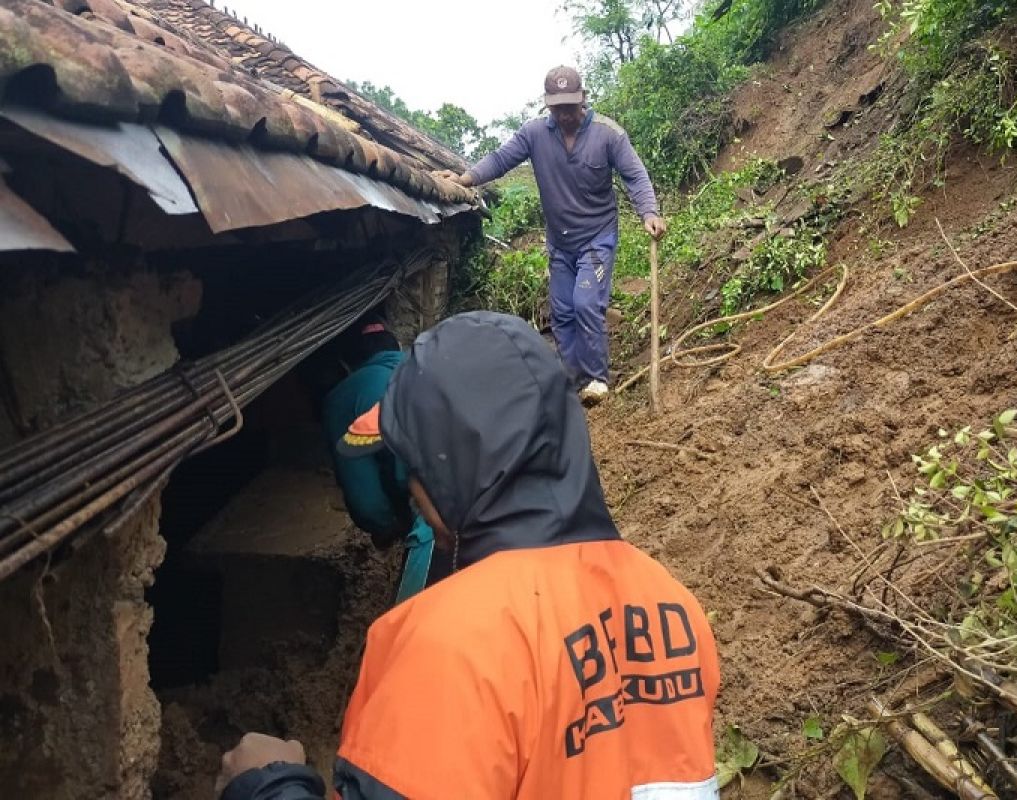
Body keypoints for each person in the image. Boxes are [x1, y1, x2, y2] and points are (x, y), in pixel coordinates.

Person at [216, 311, 720, 800]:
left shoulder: (452, 644)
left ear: (450, 465)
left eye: (412, 463)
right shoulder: (673, 605)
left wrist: (268, 783)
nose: (412, 485)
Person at [436, 66, 667, 404]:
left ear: (583, 99)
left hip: (596, 236)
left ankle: (597, 379)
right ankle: (573, 382)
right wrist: (463, 180)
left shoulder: (608, 134)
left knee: (586, 303)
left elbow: (635, 175)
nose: (565, 115)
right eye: (558, 108)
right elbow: (501, 160)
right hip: (560, 241)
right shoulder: (533, 134)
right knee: (561, 311)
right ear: (547, 105)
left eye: (570, 107)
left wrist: (649, 212)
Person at [321, 315, 444, 603]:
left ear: (345, 364)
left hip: (436, 525)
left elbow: (363, 493)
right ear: (397, 346)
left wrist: (386, 526)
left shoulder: (342, 396)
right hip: (503, 509)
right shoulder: (431, 365)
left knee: (410, 633)